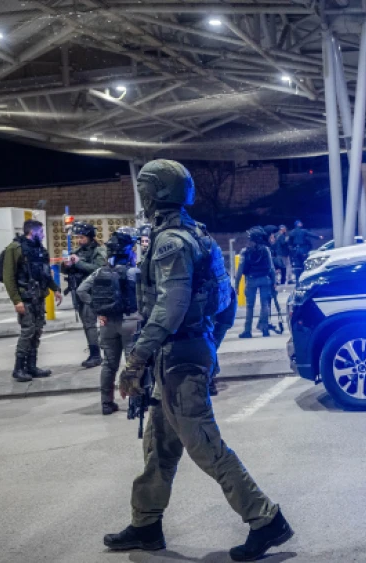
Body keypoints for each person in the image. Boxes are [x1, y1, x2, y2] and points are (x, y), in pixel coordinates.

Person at [103, 159, 292, 561]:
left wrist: (135, 360)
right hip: (184, 353)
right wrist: (210, 346)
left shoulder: (171, 242)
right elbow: (224, 303)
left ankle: (266, 520)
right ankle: (146, 525)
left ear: (154, 193)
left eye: (145, 190)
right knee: (159, 446)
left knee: (205, 446)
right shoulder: (198, 235)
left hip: (177, 358)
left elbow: (168, 309)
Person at [77, 231, 143, 415]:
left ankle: (107, 403)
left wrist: (99, 309)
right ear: (129, 252)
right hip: (130, 321)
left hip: (107, 323)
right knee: (134, 364)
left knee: (109, 364)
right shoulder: (134, 272)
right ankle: (136, 402)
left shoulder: (100, 272)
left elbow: (82, 291)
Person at [2, 220, 63, 382]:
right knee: (27, 331)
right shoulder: (14, 249)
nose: (43, 235)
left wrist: (55, 288)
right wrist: (16, 300)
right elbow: (8, 277)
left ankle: (31, 366)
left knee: (37, 332)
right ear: (33, 232)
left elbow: (45, 274)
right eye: (41, 232)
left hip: (38, 297)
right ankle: (18, 368)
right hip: (25, 298)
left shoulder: (40, 249)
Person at [61, 221, 107, 368]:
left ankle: (95, 355)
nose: (79, 240)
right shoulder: (78, 252)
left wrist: (78, 263)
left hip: (91, 293)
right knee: (87, 325)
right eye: (77, 237)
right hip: (79, 293)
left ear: (89, 237)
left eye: (82, 237)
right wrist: (67, 265)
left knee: (90, 324)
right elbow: (66, 270)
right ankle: (94, 352)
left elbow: (99, 269)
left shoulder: (98, 251)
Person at [235, 226, 278, 338]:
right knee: (265, 305)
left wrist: (236, 285)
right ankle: (264, 329)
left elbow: (239, 270)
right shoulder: (266, 250)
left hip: (251, 280)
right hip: (265, 279)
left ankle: (247, 330)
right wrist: (274, 282)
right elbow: (272, 268)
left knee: (250, 306)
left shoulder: (245, 252)